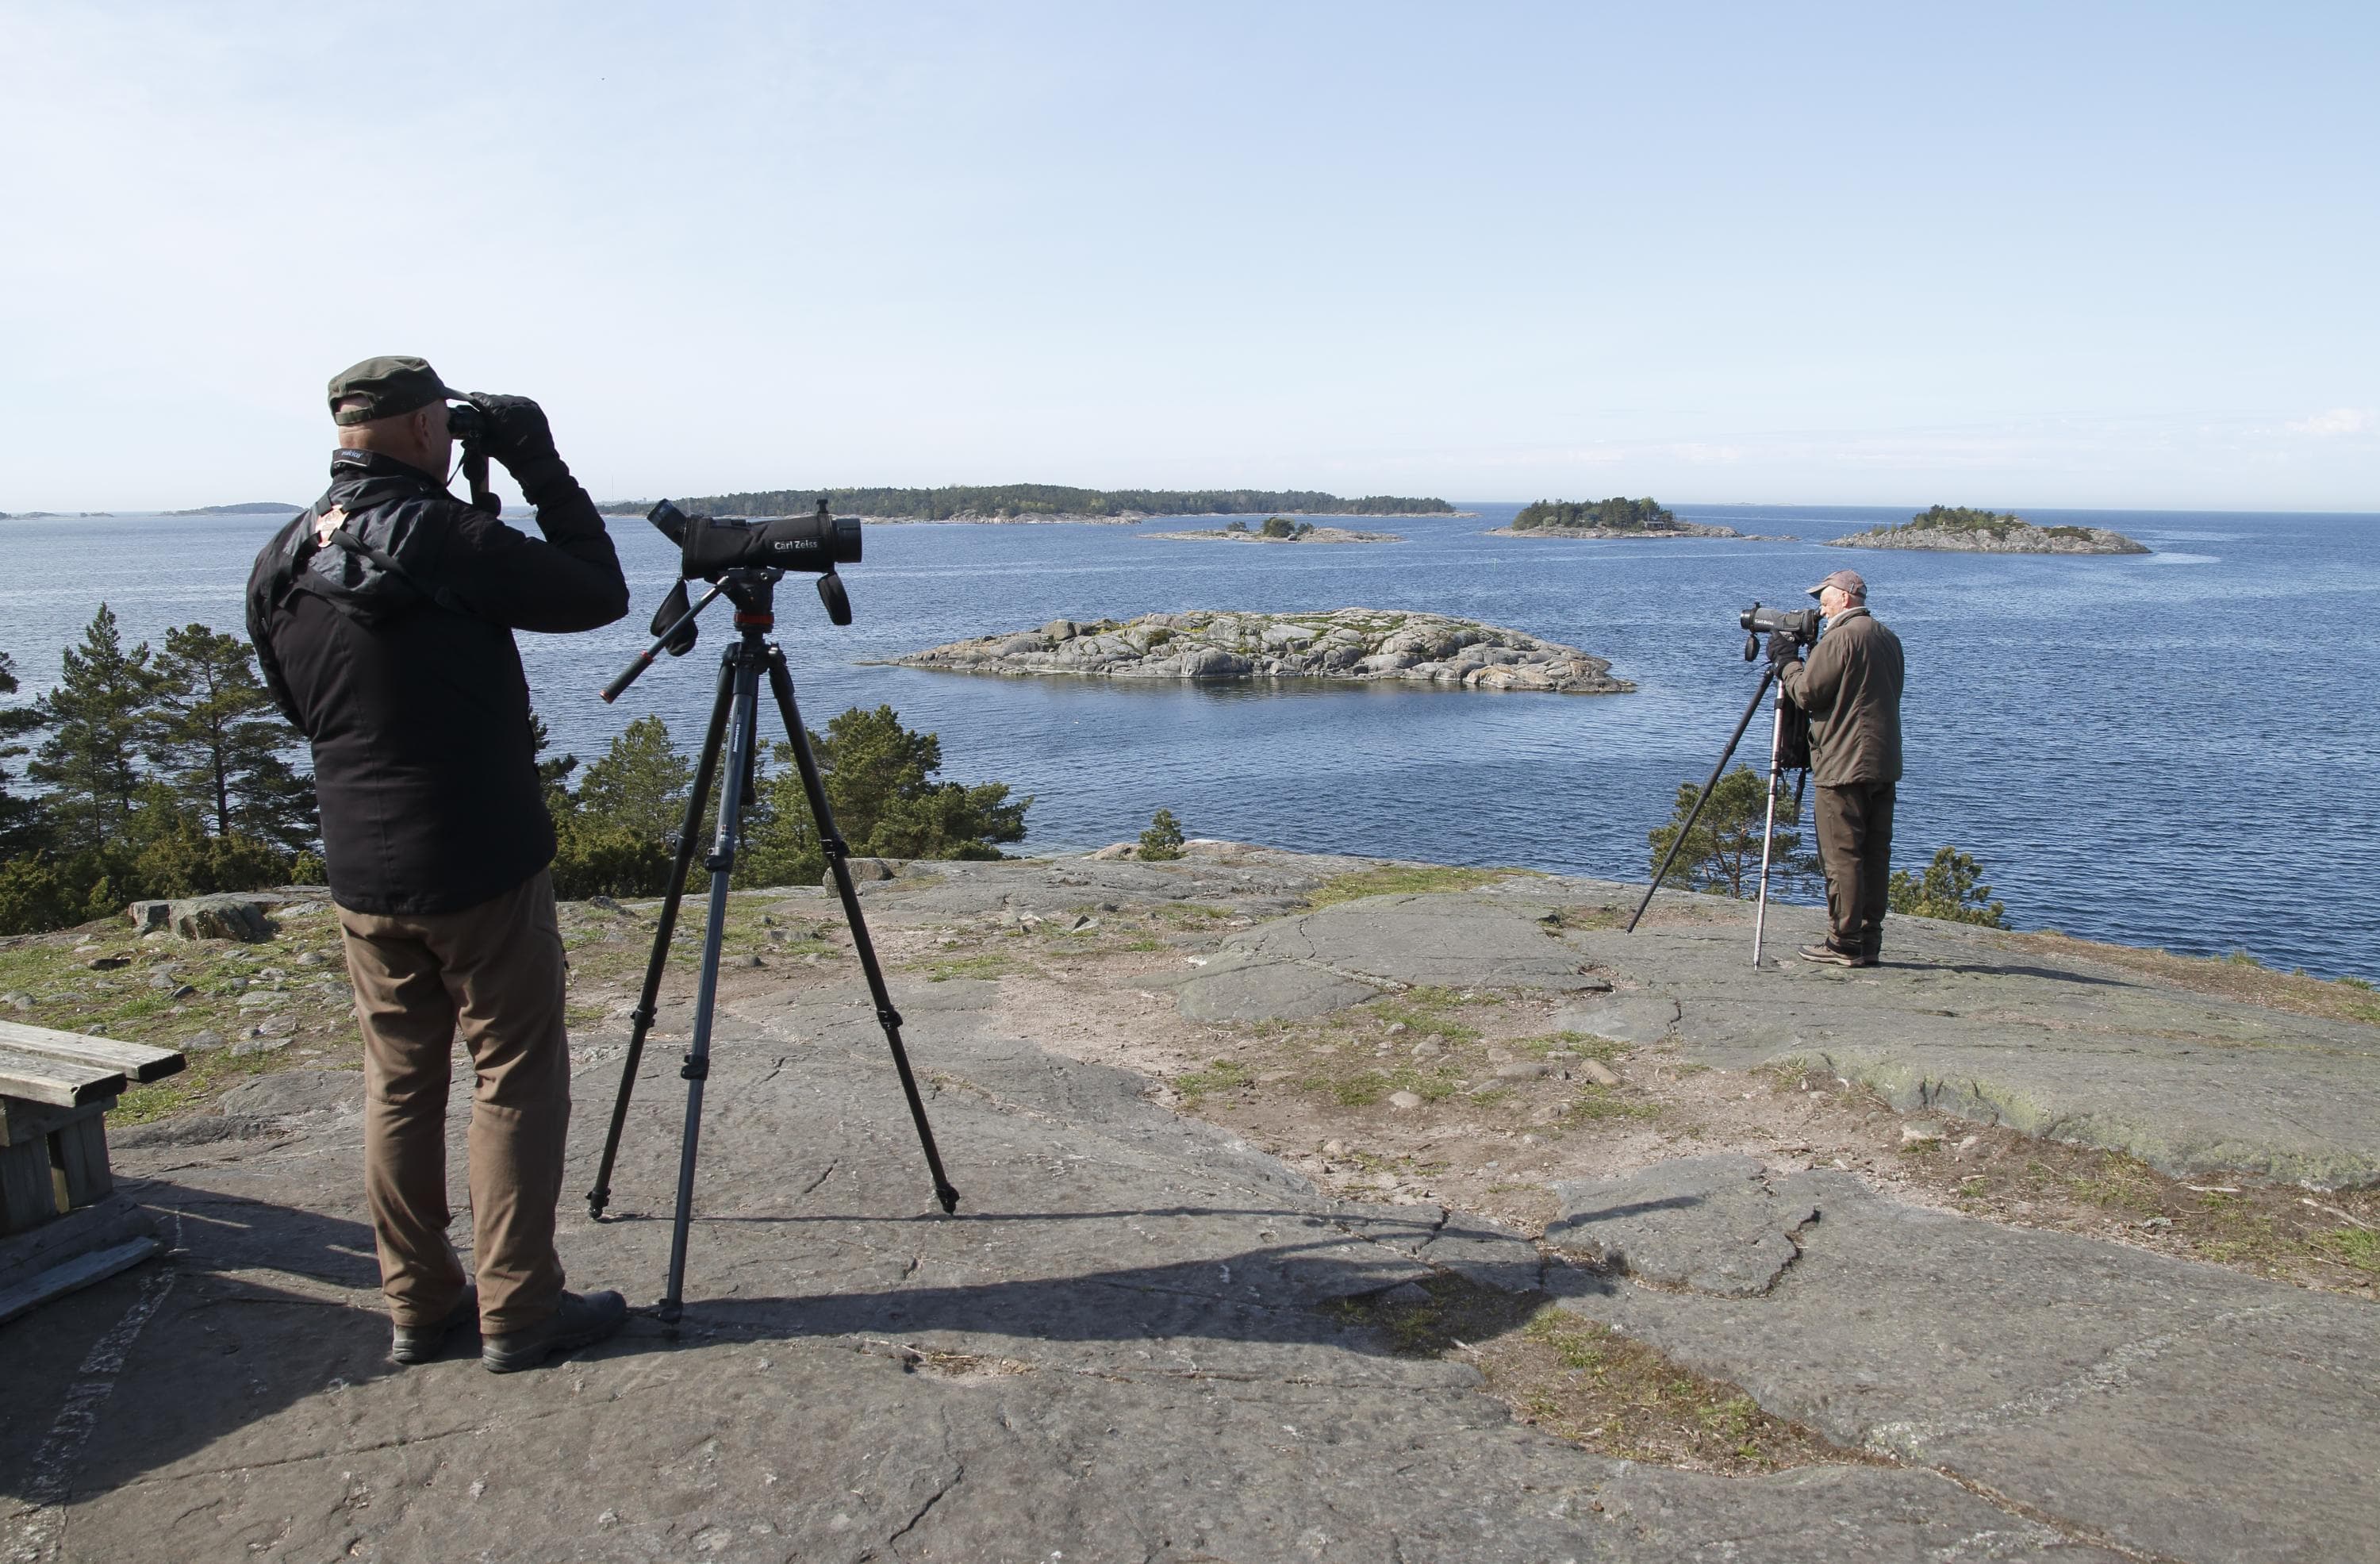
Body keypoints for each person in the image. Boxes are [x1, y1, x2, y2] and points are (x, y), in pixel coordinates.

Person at [246, 355, 633, 1372]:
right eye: (449, 429)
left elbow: (301, 711)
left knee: (399, 1084)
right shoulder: (446, 535)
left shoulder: (280, 556)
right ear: (422, 430)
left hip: (360, 871)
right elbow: (599, 592)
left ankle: (418, 1306)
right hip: (482, 859)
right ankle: (521, 1309)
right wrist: (541, 467)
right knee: (511, 1073)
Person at [1769, 568, 1904, 967]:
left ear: (1845, 598)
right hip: (1882, 761)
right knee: (1875, 853)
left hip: (1843, 763)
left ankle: (1843, 941)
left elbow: (1808, 693)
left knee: (1843, 854)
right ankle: (1868, 938)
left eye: (1824, 600)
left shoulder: (1842, 636)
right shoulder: (1886, 637)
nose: (1820, 609)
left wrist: (1786, 663)